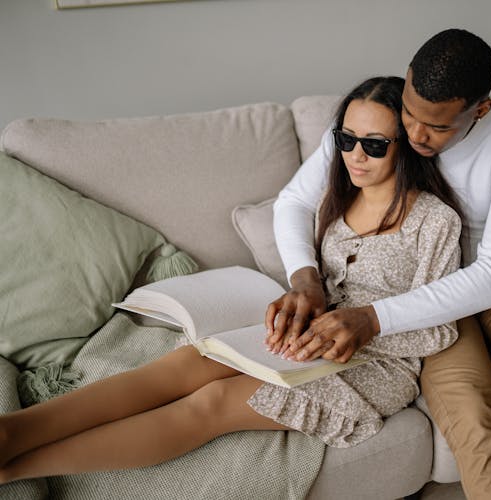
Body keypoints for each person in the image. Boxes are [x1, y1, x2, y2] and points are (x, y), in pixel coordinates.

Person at [0, 76, 464, 484]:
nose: (355, 156)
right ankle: (15, 432)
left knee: (213, 402)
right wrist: (299, 303)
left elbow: (442, 325)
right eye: (346, 140)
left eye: (375, 144)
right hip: (309, 339)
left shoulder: (435, 221)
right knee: (186, 364)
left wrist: (366, 324)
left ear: (407, 146)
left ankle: (15, 467)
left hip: (379, 363)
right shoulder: (336, 198)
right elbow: (320, 277)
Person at [267, 29, 491, 500]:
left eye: (437, 127)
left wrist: (374, 319)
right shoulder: (385, 113)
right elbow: (293, 200)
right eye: (410, 115)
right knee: (475, 423)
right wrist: (306, 278)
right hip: (414, 286)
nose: (415, 134)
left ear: (480, 109)